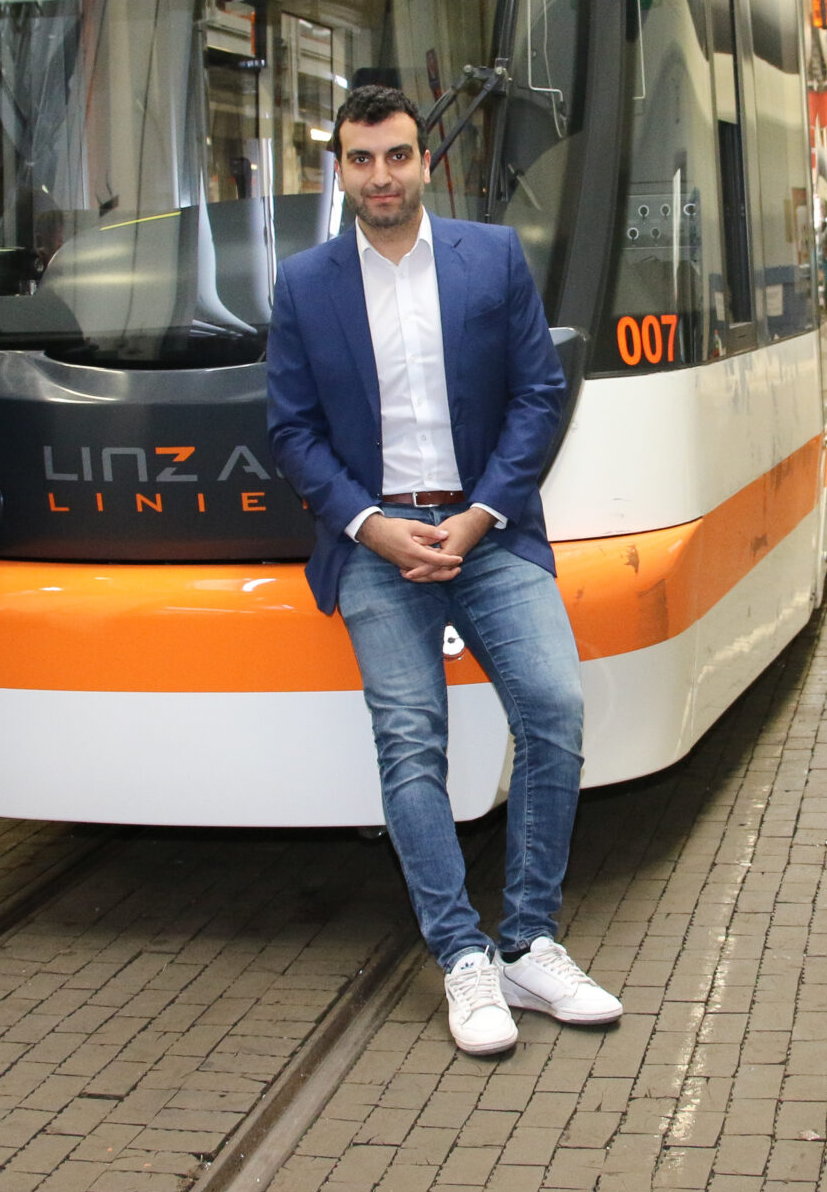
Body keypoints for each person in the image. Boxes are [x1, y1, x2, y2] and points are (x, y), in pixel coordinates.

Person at [266, 84, 621, 1057]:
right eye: (361, 159)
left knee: (553, 709)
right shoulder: (304, 284)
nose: (381, 176)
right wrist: (369, 525)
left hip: (488, 533)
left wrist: (476, 517)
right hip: (377, 544)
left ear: (426, 163)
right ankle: (463, 957)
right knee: (410, 742)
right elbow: (290, 431)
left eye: (396, 156)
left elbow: (538, 398)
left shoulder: (490, 258)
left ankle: (531, 941)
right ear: (338, 170)